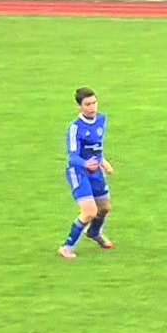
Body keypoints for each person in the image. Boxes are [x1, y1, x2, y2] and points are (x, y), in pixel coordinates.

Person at [59, 87, 114, 260]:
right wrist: (85, 163)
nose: (92, 107)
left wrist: (103, 161)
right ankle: (66, 247)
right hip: (79, 171)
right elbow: (72, 156)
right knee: (90, 211)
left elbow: (97, 146)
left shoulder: (101, 120)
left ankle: (94, 232)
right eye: (87, 104)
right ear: (79, 107)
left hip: (95, 170)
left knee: (104, 208)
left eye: (94, 103)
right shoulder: (75, 128)